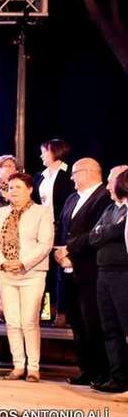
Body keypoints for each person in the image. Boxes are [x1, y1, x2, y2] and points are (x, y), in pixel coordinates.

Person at [0, 172, 53, 382]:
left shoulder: (41, 212)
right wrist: (3, 262)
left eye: (18, 187)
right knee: (13, 321)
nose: (13, 191)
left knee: (29, 321)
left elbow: (45, 244)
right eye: (11, 187)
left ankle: (33, 367)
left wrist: (23, 263)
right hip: (6, 273)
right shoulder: (1, 213)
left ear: (30, 189)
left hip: (32, 273)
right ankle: (18, 366)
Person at [54, 158, 112, 386]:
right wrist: (59, 252)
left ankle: (102, 372)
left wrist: (70, 249)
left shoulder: (104, 198)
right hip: (67, 270)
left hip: (90, 270)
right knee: (77, 323)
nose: (71, 177)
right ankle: (86, 369)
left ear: (89, 172)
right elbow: (62, 228)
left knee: (94, 323)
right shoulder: (71, 198)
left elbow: (96, 233)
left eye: (75, 173)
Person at [90, 166, 128, 393]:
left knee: (126, 326)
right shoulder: (110, 209)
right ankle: (118, 377)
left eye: (110, 181)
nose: (107, 186)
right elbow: (95, 236)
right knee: (109, 327)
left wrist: (107, 231)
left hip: (124, 273)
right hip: (104, 272)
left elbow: (116, 231)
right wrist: (108, 231)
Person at [32, 138, 75, 325]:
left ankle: (62, 312)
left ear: (56, 152)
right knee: (42, 271)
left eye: (45, 151)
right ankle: (44, 312)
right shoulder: (40, 175)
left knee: (60, 273)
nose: (42, 155)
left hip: (60, 228)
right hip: (41, 228)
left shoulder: (68, 174)